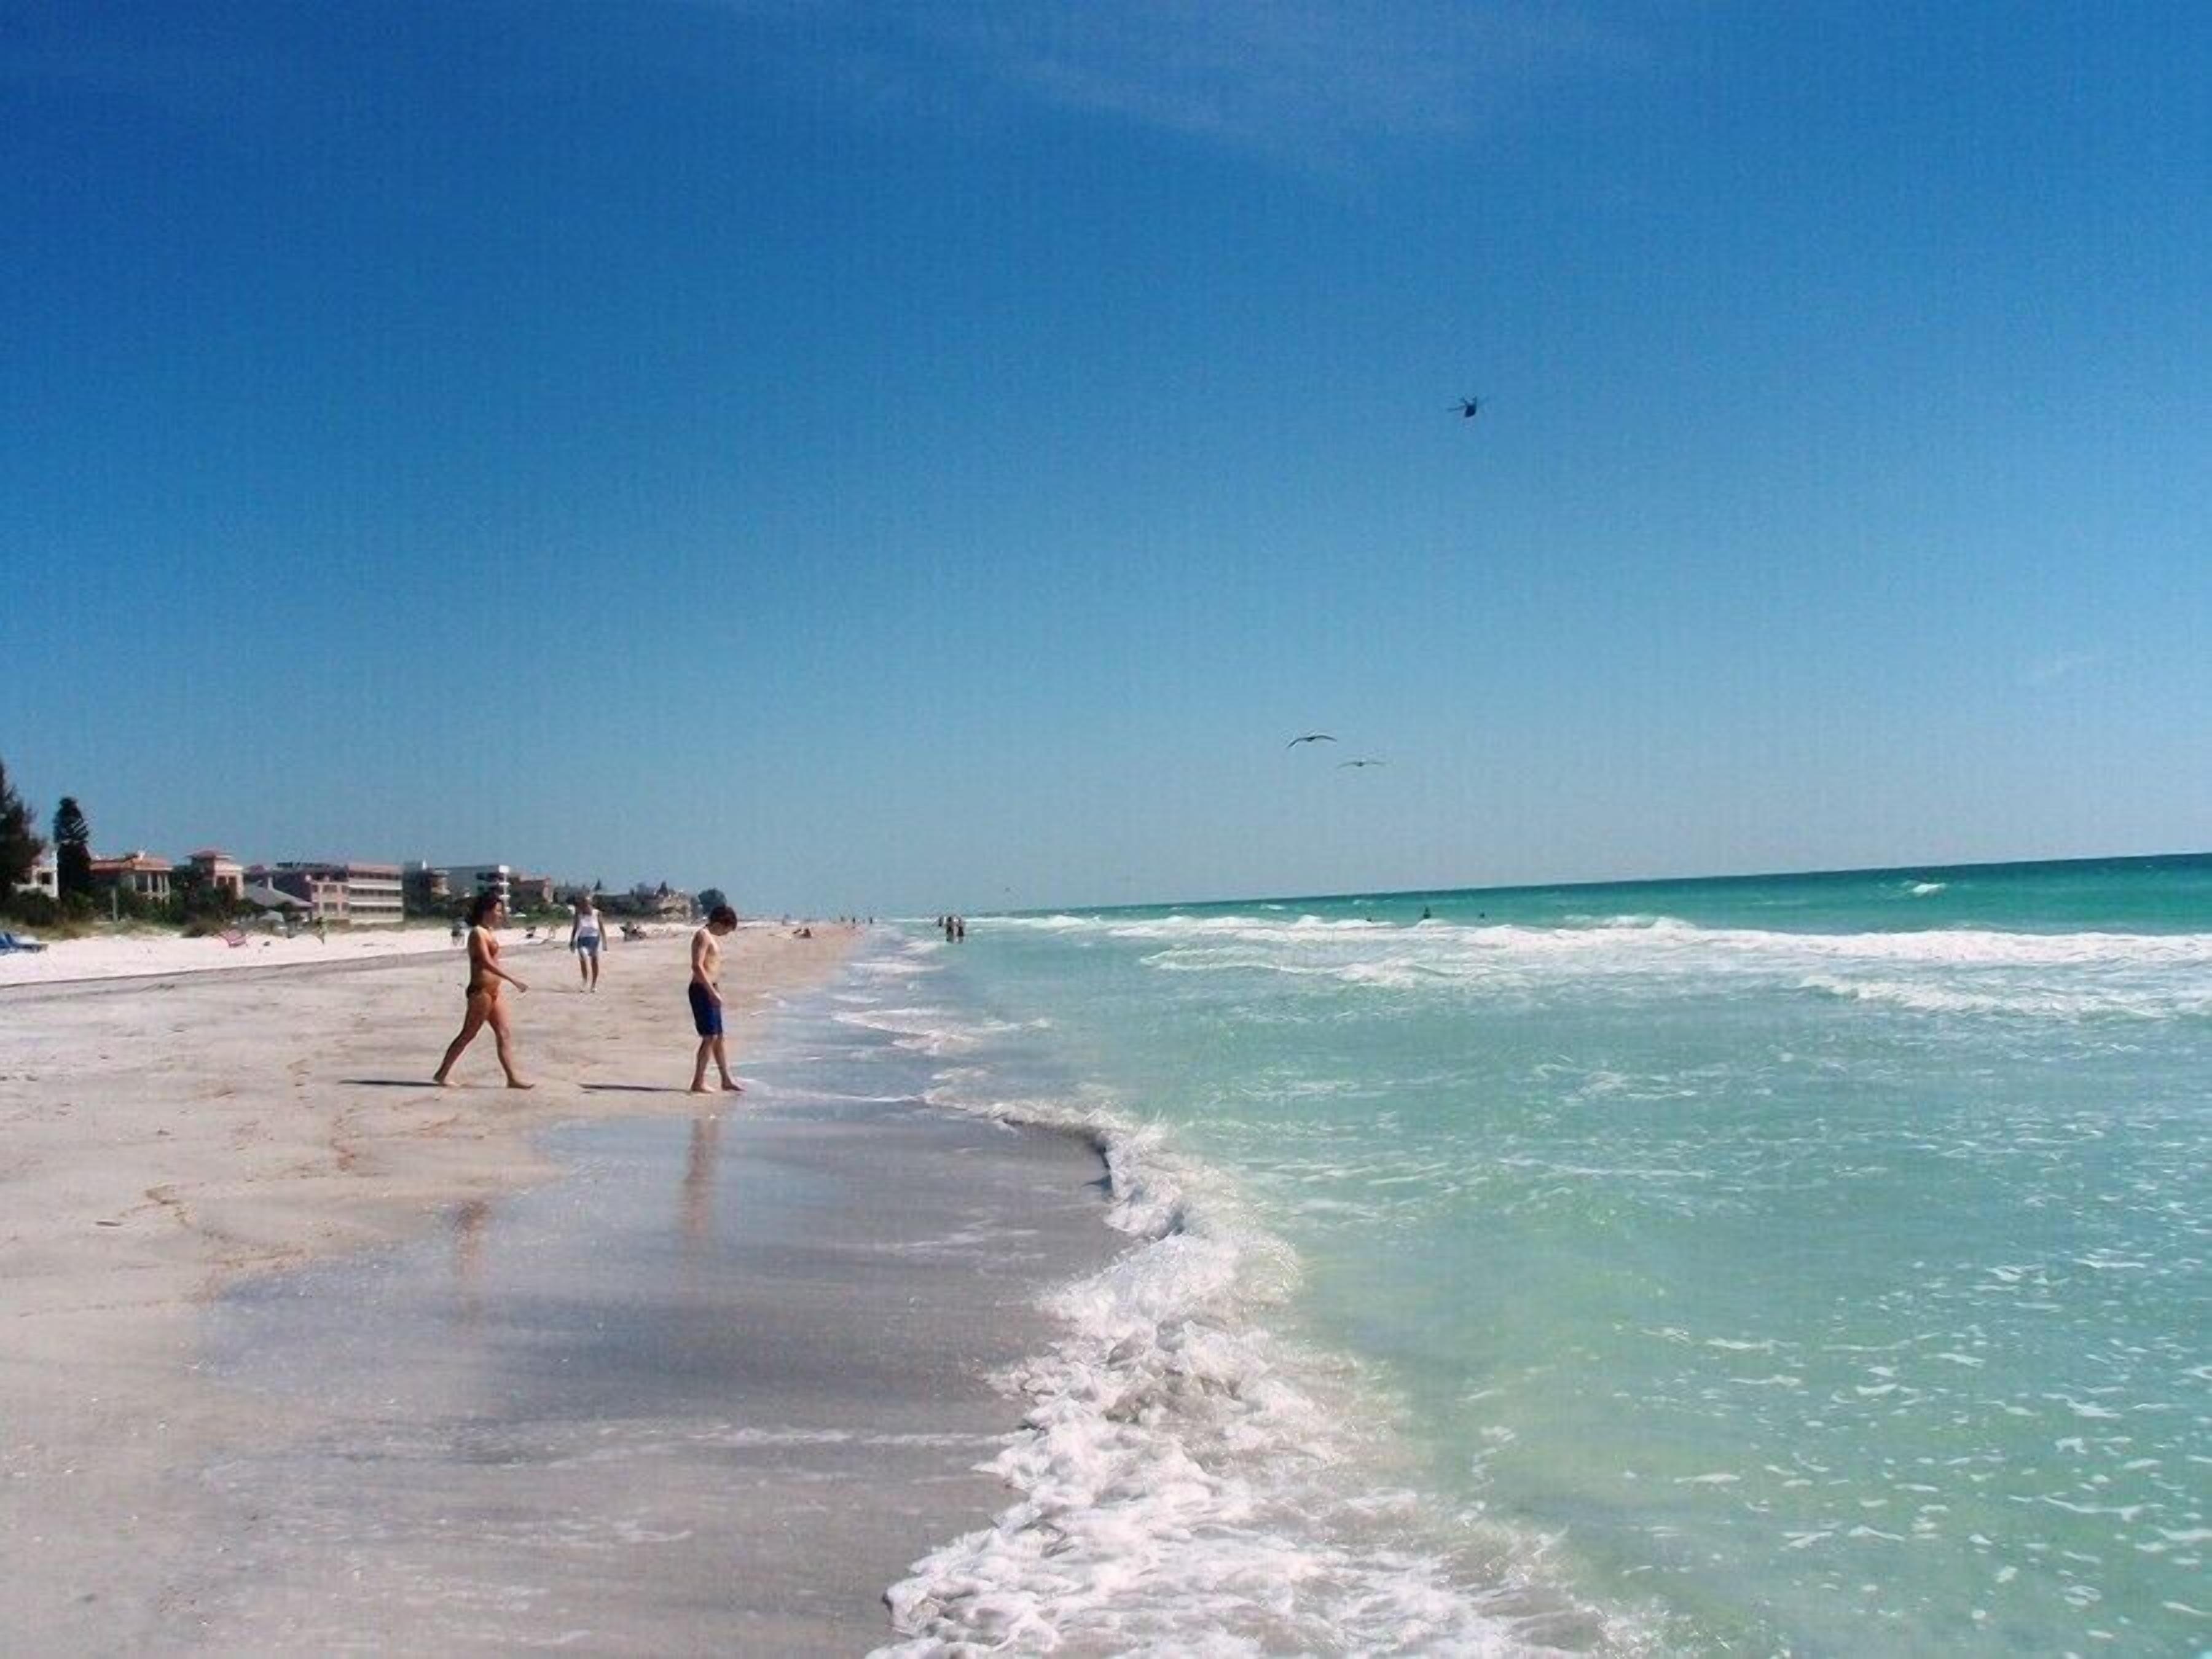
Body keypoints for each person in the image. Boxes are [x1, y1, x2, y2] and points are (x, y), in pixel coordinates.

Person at [433, 893, 532, 1089]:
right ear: (486, 911)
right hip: (480, 992)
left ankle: (512, 1078)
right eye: (497, 910)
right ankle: (442, 1073)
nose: (500, 914)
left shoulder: (488, 932)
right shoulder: (478, 933)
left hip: (494, 991)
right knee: (469, 1033)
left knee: (504, 1033)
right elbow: (485, 962)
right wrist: (512, 979)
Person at [688, 904, 742, 1094]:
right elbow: (697, 966)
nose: (727, 934)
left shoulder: (711, 937)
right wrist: (711, 991)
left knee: (719, 1037)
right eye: (727, 929)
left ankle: (726, 1079)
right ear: (720, 923)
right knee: (709, 1037)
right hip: (702, 989)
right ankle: (698, 1081)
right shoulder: (703, 936)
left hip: (711, 988)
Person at [569, 894, 606, 991]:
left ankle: (593, 985)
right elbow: (575, 928)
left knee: (595, 962)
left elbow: (602, 928)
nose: (586, 906)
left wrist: (604, 942)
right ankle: (585, 982)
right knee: (583, 958)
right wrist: (572, 941)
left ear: (591, 904)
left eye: (588, 903)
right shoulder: (579, 914)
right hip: (582, 940)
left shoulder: (597, 913)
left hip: (594, 940)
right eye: (584, 903)